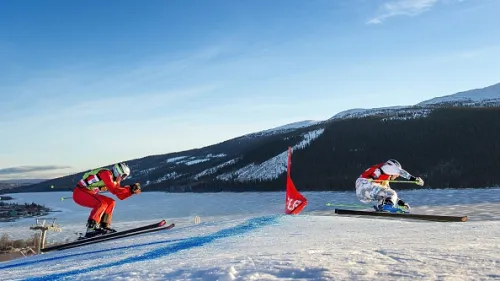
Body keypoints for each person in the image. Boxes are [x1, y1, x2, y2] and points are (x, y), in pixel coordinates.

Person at [72, 162, 141, 238]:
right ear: (118, 172)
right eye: (123, 176)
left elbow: (120, 196)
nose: (123, 178)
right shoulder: (106, 173)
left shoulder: (114, 181)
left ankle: (104, 225)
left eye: (125, 177)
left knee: (111, 202)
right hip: (80, 193)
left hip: (88, 193)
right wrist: (129, 188)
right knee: (102, 203)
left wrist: (131, 191)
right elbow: (113, 190)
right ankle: (91, 228)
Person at [355, 159, 424, 213]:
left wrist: (401, 203)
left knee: (387, 194)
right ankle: (385, 207)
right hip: (365, 184)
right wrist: (415, 179)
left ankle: (382, 206)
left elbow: (388, 195)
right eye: (397, 175)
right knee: (391, 193)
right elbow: (401, 172)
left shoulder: (385, 179)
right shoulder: (387, 166)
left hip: (362, 194)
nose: (397, 176)